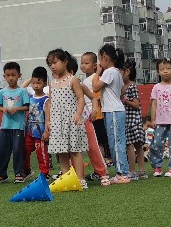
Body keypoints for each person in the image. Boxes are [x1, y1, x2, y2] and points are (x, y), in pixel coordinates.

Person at [44, 48, 88, 188]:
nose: (52, 66)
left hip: (72, 120)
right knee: (61, 151)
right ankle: (67, 179)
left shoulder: (72, 80)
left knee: (75, 150)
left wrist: (78, 113)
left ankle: (80, 179)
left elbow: (80, 98)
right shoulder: (52, 83)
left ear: (65, 62)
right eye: (50, 64)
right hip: (57, 122)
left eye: (55, 62)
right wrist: (48, 121)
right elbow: (50, 102)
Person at [91, 45, 132, 184]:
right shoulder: (117, 72)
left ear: (105, 58)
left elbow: (95, 87)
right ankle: (122, 171)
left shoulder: (109, 72)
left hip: (113, 111)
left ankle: (122, 173)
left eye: (99, 59)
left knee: (116, 142)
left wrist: (97, 73)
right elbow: (121, 92)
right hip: (115, 109)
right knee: (116, 141)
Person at [147, 59, 171, 177]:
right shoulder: (156, 87)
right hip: (160, 121)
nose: (165, 71)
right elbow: (154, 104)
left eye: (168, 68)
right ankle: (157, 167)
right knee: (156, 144)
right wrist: (153, 119)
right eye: (162, 69)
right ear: (158, 72)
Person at [0, 62, 30, 184]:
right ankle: (2, 174)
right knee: (2, 150)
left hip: (18, 127)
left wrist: (17, 109)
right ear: (4, 76)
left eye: (13, 75)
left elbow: (27, 107)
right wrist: (3, 109)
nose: (10, 78)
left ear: (19, 76)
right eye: (8, 75)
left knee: (17, 150)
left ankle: (18, 173)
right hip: (5, 126)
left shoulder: (22, 91)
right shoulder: (2, 92)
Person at [77, 51, 110, 183]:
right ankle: (99, 170)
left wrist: (95, 110)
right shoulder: (84, 80)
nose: (83, 65)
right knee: (94, 143)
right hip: (88, 115)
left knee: (97, 143)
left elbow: (96, 95)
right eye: (82, 63)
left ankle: (101, 169)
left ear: (95, 65)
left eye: (86, 63)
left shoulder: (94, 79)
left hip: (95, 115)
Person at [23, 67, 51, 181]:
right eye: (33, 83)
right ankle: (26, 170)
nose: (35, 86)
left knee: (41, 153)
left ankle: (45, 173)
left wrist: (46, 131)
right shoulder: (30, 96)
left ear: (45, 84)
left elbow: (48, 117)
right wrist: (31, 78)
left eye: (38, 83)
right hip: (29, 131)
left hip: (40, 132)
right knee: (25, 150)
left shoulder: (46, 99)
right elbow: (22, 88)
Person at [121, 60, 146, 178]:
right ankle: (132, 170)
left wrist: (126, 101)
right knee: (129, 145)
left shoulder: (132, 86)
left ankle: (140, 170)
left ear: (127, 72)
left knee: (137, 145)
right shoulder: (122, 86)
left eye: (121, 72)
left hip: (134, 120)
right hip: (126, 120)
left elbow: (136, 104)